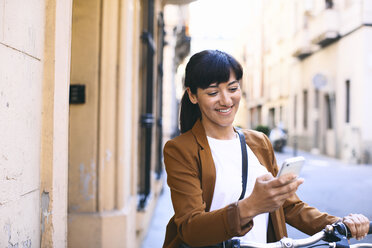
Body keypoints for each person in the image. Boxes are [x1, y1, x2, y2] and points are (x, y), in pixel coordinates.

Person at [162, 50, 369, 248]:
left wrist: (340, 224)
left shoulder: (259, 142)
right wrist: (251, 205)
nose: (226, 100)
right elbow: (190, 228)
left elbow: (289, 206)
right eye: (213, 92)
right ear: (192, 95)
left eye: (233, 89)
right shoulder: (180, 150)